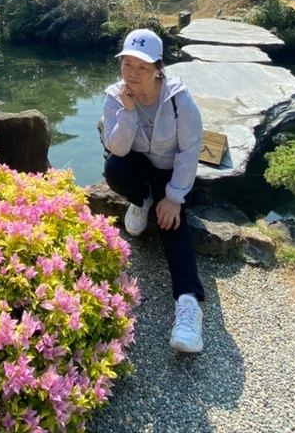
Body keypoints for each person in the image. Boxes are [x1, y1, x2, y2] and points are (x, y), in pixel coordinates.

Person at [102, 27, 205, 353]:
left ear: (158, 69)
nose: (132, 74)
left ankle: (188, 303)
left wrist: (174, 197)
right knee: (114, 169)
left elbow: (190, 150)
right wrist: (129, 111)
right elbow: (116, 147)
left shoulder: (178, 99)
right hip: (135, 165)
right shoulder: (114, 96)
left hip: (170, 171)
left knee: (171, 224)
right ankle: (140, 199)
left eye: (142, 67)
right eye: (127, 64)